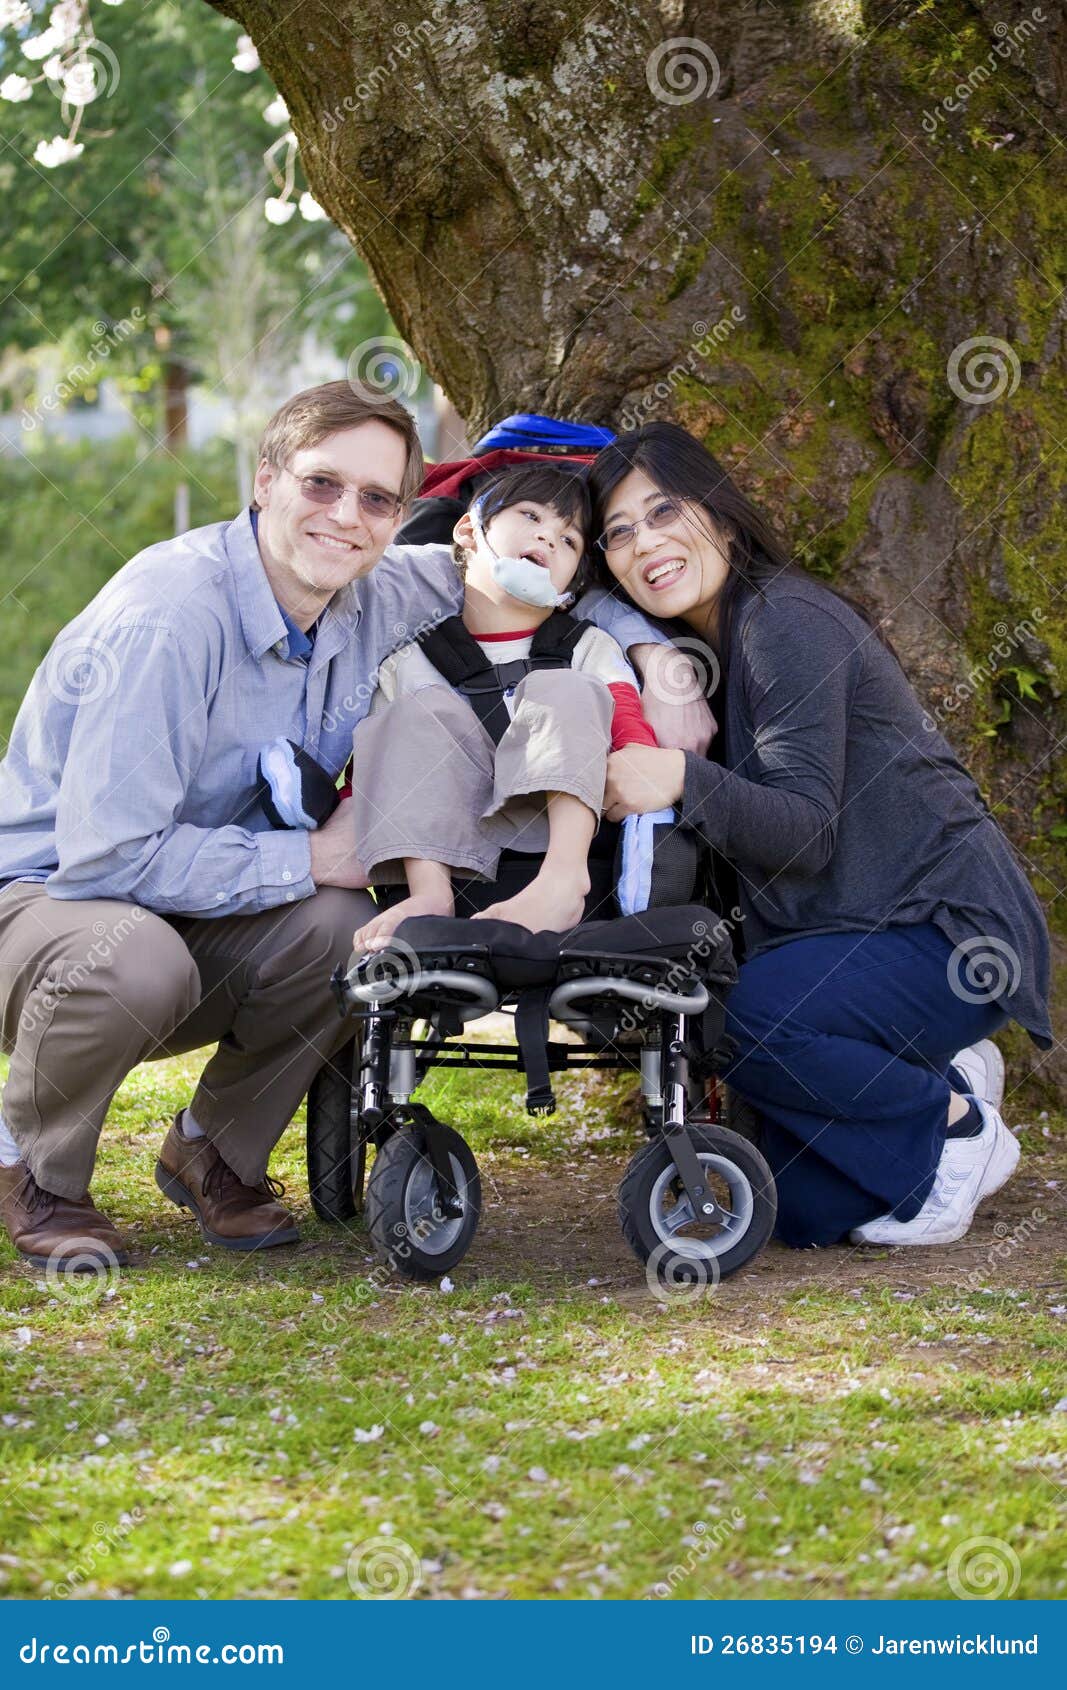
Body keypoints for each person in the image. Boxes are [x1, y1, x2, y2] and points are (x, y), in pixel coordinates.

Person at [0, 385, 707, 1272]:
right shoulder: (170, 616)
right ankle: (37, 1172)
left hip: (212, 898)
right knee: (139, 953)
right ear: (264, 481)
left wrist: (658, 658)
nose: (346, 517)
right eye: (321, 484)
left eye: (376, 500)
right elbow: (109, 855)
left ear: (403, 518)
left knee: (357, 931)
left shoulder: (378, 587)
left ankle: (213, 1148)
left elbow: (532, 578)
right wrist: (314, 854)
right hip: (52, 900)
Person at [588, 421, 1052, 1250]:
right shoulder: (708, 650)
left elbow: (805, 834)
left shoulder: (782, 622)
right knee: (795, 1208)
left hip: (946, 930)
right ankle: (941, 1076)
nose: (643, 543)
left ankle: (950, 1123)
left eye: (664, 513)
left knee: (739, 1017)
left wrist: (676, 779)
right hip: (854, 943)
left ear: (722, 518)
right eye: (618, 533)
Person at [349, 462, 661, 951]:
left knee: (566, 688)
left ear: (570, 590)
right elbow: (380, 774)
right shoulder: (411, 659)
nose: (549, 539)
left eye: (570, 541)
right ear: (470, 530)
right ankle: (429, 898)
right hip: (450, 850)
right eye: (531, 516)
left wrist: (642, 766)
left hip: (562, 830)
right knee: (412, 715)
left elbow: (627, 723)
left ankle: (562, 882)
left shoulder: (586, 646)